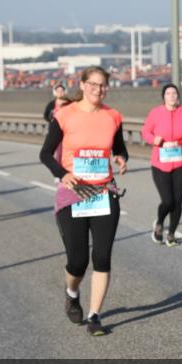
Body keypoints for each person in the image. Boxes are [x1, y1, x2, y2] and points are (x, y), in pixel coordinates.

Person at [39, 66, 128, 337]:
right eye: (93, 84)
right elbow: (45, 154)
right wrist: (62, 174)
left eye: (102, 85)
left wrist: (121, 157)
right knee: (77, 261)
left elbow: (119, 146)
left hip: (103, 192)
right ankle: (72, 292)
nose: (98, 90)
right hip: (73, 194)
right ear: (82, 84)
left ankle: (94, 315)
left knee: (101, 256)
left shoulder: (113, 116)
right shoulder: (64, 115)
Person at [141, 83, 182, 246]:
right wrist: (154, 140)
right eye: (168, 93)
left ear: (178, 96)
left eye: (174, 93)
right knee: (167, 201)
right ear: (163, 97)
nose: (172, 96)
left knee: (178, 201)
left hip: (180, 162)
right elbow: (145, 132)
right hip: (160, 163)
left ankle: (171, 233)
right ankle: (159, 223)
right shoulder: (155, 113)